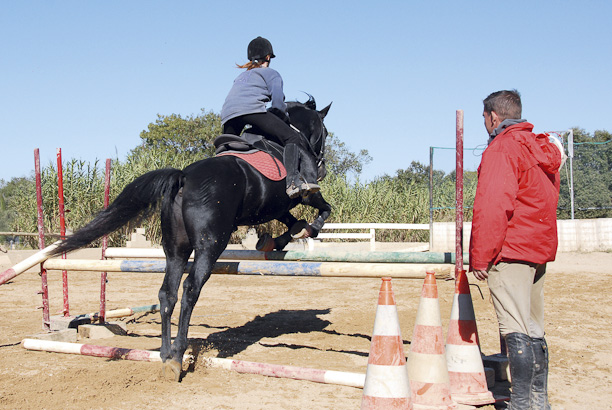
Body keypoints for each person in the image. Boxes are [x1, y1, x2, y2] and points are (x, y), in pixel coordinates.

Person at [469, 90, 564, 409]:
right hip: (538, 250)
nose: (484, 123)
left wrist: (480, 255)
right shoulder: (540, 147)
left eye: (483, 118)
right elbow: (550, 199)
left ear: (493, 117)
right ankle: (539, 401)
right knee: (534, 327)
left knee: (514, 328)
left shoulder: (502, 148)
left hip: (510, 251)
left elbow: (493, 205)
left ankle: (520, 403)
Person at [221, 36, 319, 198]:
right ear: (268, 57)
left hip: (228, 116)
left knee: (226, 148)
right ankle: (293, 181)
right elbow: (278, 103)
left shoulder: (241, 76)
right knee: (291, 138)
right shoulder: (271, 73)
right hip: (251, 111)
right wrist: (284, 119)